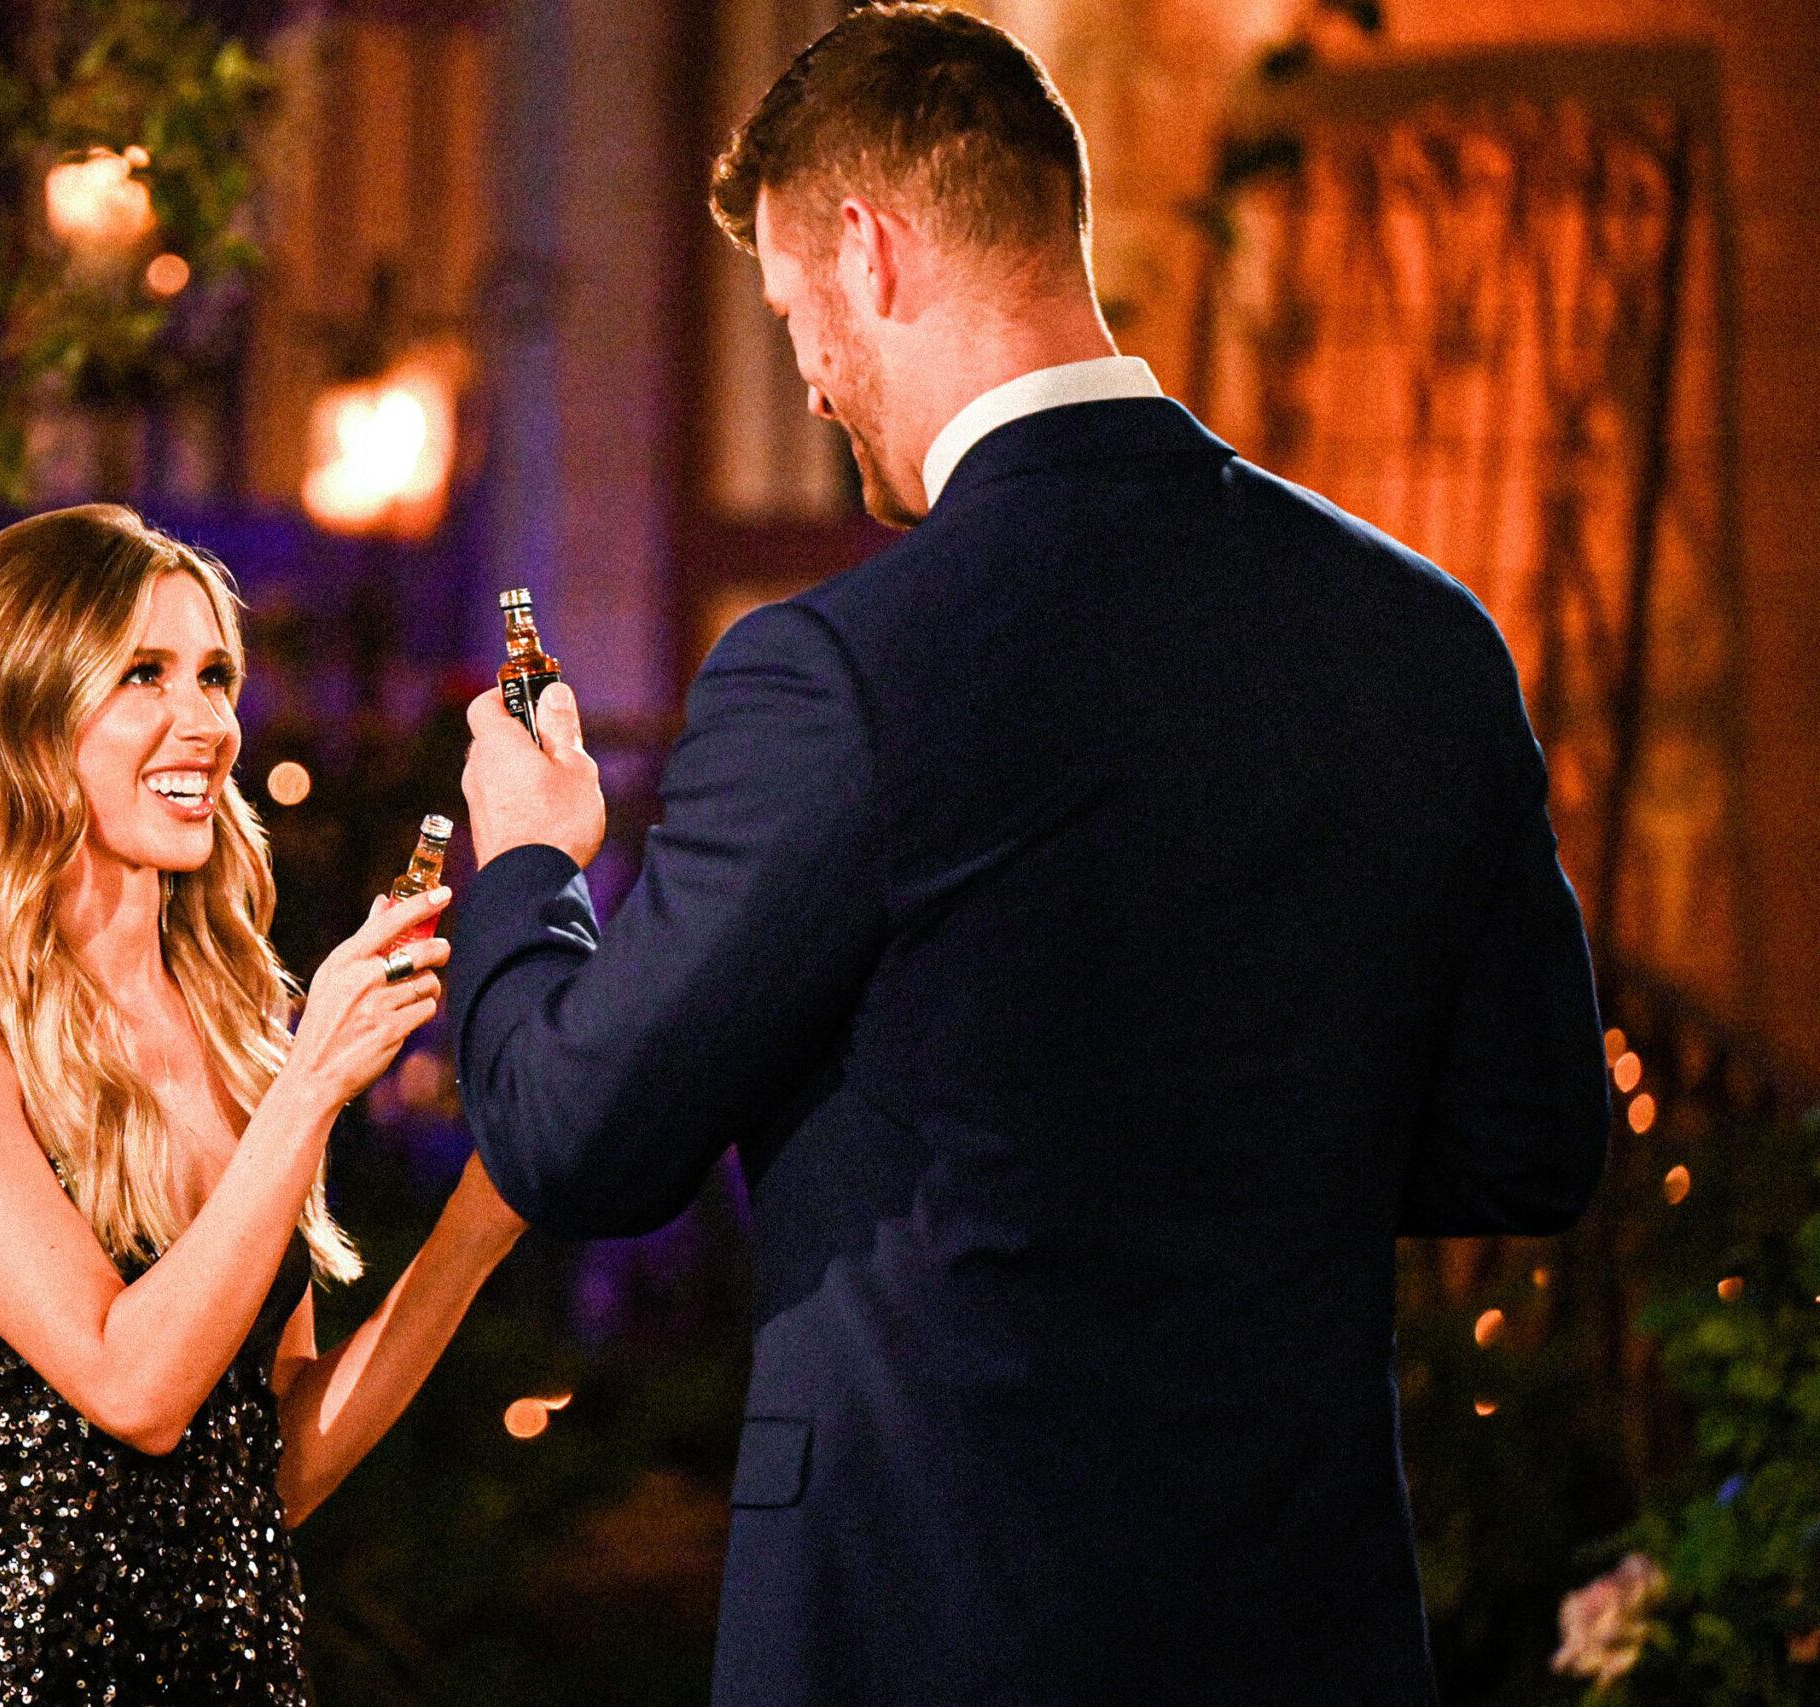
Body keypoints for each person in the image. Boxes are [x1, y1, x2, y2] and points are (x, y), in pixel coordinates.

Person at [447, 8, 1612, 1704]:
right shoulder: (1424, 634)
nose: (807, 377)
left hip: (930, 1626)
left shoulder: (837, 671)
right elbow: (1533, 1142)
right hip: (1301, 1633)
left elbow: (577, 1137)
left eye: (791, 315)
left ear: (869, 250)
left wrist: (528, 868)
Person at [0, 504, 524, 1705]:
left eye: (214, 675)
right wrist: (311, 1086)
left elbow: (269, 1470)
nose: (206, 723)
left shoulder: (235, 1033)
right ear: (24, 716)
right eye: (143, 675)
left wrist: (484, 1215)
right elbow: (134, 1393)